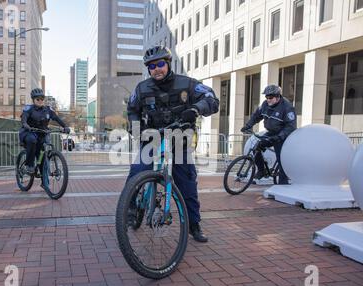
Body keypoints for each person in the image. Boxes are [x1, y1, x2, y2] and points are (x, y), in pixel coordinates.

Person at [126, 46, 219, 243]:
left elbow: (211, 98)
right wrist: (136, 130)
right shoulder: (141, 88)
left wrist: (195, 109)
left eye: (160, 64)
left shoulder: (188, 84)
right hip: (152, 139)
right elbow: (132, 109)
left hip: (179, 141)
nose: (156, 69)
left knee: (187, 184)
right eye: (152, 66)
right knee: (137, 171)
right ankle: (130, 208)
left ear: (168, 64)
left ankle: (194, 225)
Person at [241, 85, 297, 185]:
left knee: (281, 159)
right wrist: (247, 126)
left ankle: (283, 183)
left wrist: (279, 137)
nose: (268, 100)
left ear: (278, 96)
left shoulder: (287, 107)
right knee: (257, 147)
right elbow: (256, 116)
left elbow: (290, 126)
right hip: (271, 132)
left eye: (270, 98)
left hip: (283, 135)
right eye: (266, 97)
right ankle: (262, 171)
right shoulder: (265, 105)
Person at [19, 88, 70, 174]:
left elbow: (57, 118)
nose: (40, 101)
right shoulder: (29, 109)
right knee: (32, 140)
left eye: (42, 99)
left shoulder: (48, 110)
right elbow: (24, 118)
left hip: (42, 133)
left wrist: (65, 126)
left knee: (42, 152)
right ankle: (29, 165)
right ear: (33, 100)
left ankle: (44, 179)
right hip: (29, 132)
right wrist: (25, 124)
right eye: (37, 99)